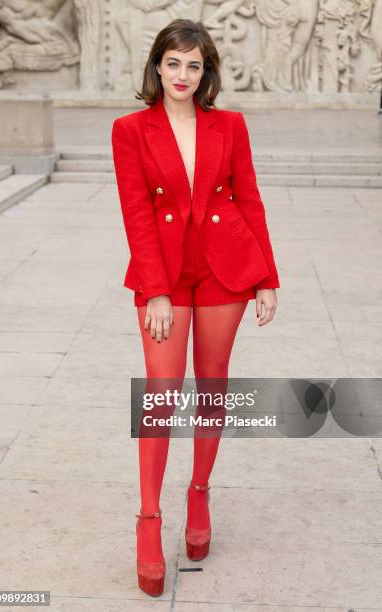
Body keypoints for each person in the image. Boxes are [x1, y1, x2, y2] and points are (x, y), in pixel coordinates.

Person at [111, 18, 280, 598]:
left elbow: (249, 197)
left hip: (223, 268)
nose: (183, 75)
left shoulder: (229, 125)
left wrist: (266, 278)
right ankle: (150, 518)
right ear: (157, 66)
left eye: (194, 65)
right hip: (162, 272)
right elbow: (136, 212)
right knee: (161, 392)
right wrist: (155, 289)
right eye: (174, 62)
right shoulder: (130, 130)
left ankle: (200, 493)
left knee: (211, 384)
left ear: (205, 73)